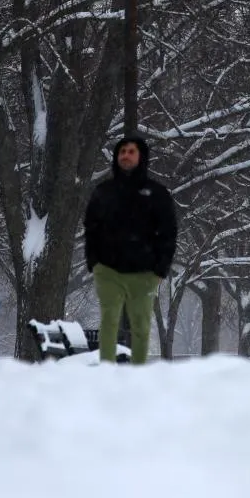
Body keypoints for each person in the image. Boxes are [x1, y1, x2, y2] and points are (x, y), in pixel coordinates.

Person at [83, 135, 178, 364]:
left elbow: (168, 232)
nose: (125, 155)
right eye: (122, 151)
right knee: (109, 321)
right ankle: (106, 372)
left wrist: (160, 269)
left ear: (141, 157)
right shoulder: (103, 192)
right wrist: (93, 262)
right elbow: (91, 227)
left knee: (141, 325)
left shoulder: (157, 194)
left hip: (144, 273)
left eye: (131, 151)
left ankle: (139, 376)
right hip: (108, 270)